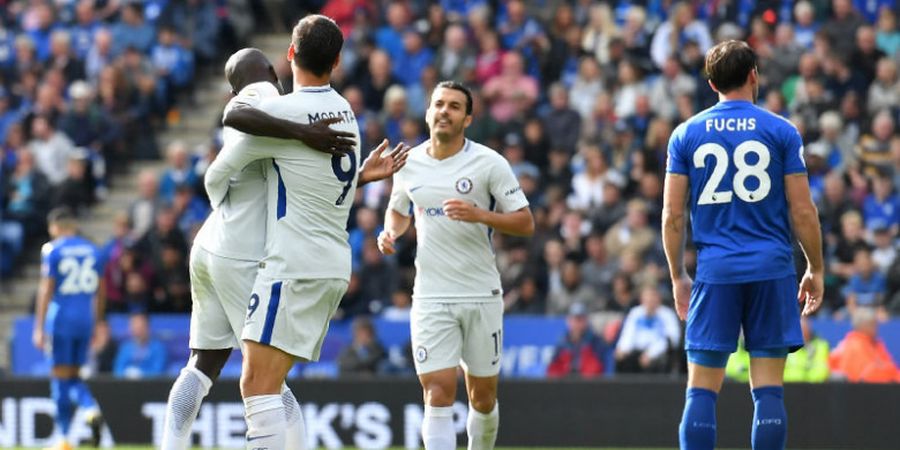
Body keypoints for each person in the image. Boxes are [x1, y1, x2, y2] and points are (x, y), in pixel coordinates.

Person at [159, 42, 407, 450]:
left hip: (211, 243)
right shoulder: (271, 100)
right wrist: (302, 134)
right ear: (270, 74)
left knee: (204, 365)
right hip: (239, 250)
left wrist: (356, 176)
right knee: (266, 380)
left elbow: (295, 175)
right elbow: (217, 172)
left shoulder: (268, 109)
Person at [662, 40, 824, 450]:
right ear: (754, 75)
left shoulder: (686, 134)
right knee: (768, 391)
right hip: (771, 269)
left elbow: (672, 216)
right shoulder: (781, 131)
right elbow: (802, 211)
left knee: (701, 390)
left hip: (716, 272)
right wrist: (815, 268)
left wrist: (678, 275)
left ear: (711, 82)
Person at [378, 80, 535, 450]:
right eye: (439, 104)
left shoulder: (488, 162)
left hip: (481, 292)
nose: (444, 111)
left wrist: (480, 214)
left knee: (482, 397)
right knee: (437, 390)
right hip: (432, 294)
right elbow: (398, 210)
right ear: (428, 111)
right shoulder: (408, 163)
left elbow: (525, 222)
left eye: (453, 106)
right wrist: (390, 232)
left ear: (467, 119)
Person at [32, 207, 104, 450]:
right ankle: (90, 408)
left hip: (60, 320)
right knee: (73, 376)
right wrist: (98, 322)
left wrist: (39, 326)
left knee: (60, 379)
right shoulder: (94, 250)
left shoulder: (52, 250)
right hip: (84, 319)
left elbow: (46, 289)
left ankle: (63, 438)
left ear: (56, 227)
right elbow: (100, 291)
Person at [828, 306, 900, 383]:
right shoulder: (854, 345)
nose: (877, 327)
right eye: (873, 324)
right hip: (860, 392)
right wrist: (891, 372)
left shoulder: (876, 343)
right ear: (862, 325)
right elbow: (866, 375)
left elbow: (890, 367)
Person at [546, 303, 606, 378]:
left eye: (581, 320)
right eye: (575, 320)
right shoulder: (562, 342)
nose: (578, 324)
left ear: (586, 321)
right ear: (568, 321)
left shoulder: (595, 342)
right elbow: (552, 370)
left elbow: (599, 369)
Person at [112, 312, 168, 378]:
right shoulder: (125, 348)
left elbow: (158, 371)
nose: (137, 331)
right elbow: (118, 369)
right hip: (127, 385)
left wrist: (140, 374)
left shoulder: (158, 348)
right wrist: (128, 374)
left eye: (140, 327)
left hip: (150, 385)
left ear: (147, 327)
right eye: (134, 327)